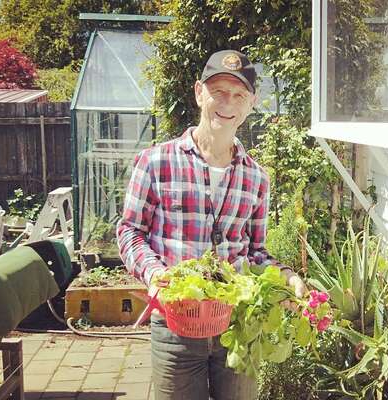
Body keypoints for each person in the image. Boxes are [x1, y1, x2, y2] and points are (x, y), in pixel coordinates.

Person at [117, 49, 306, 400]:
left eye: (239, 95)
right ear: (199, 92)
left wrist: (286, 276)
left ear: (252, 103)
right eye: (219, 91)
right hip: (175, 324)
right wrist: (156, 275)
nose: (228, 103)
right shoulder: (156, 162)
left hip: (238, 325)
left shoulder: (256, 178)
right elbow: (130, 231)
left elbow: (255, 252)